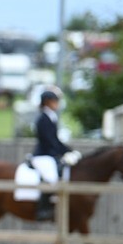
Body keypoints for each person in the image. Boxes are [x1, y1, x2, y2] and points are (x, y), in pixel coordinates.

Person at [31, 88, 80, 222]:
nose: (57, 104)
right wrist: (60, 152)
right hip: (43, 155)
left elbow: (56, 140)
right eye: (54, 101)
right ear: (47, 102)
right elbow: (48, 140)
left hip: (50, 154)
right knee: (51, 178)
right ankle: (43, 209)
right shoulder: (43, 118)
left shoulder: (51, 117)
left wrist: (69, 151)